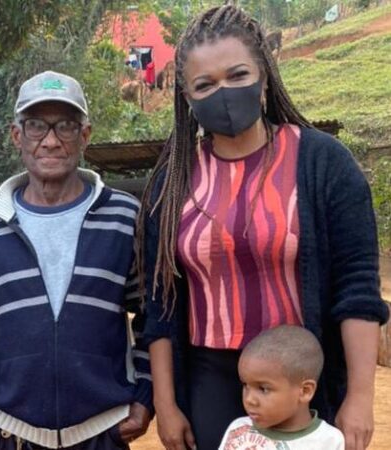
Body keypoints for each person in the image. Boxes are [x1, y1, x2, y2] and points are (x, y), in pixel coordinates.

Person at [137, 5, 389, 450]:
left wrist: (360, 397)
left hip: (304, 377)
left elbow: (357, 288)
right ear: (187, 96)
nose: (223, 93)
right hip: (209, 381)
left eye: (238, 75)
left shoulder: (323, 164)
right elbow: (161, 304)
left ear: (265, 76)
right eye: (205, 85)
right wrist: (167, 403)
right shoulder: (172, 182)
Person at [0, 70, 153, 450]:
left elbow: (153, 317)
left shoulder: (124, 217)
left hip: (102, 434)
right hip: (11, 435)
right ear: (17, 135)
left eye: (66, 126)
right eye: (36, 125)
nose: (51, 141)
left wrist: (145, 397)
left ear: (84, 136)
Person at [219, 325, 345, 449]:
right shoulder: (238, 429)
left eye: (263, 389)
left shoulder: (328, 441)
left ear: (305, 391)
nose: (249, 400)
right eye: (245, 385)